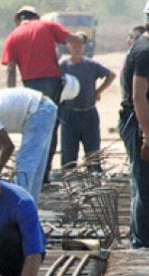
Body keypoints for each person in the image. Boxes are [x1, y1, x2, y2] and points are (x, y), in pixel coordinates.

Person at [2, 5, 76, 184]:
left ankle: (30, 175)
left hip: (30, 87)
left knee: (33, 129)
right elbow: (73, 40)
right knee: (49, 129)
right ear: (36, 16)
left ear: (18, 19)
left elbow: (11, 69)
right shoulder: (47, 25)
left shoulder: (13, 36)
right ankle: (43, 176)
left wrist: (11, 96)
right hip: (52, 83)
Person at [59, 32, 116, 172]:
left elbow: (111, 75)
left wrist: (98, 92)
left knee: (93, 154)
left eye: (80, 45)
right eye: (74, 45)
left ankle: (94, 181)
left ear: (84, 47)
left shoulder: (91, 65)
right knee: (68, 155)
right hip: (69, 114)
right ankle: (69, 183)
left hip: (89, 113)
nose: (77, 48)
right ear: (69, 46)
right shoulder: (63, 66)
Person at [119, 2, 149, 249]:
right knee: (144, 182)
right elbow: (139, 97)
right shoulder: (145, 51)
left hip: (143, 121)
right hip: (138, 122)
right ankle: (141, 244)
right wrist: (147, 135)